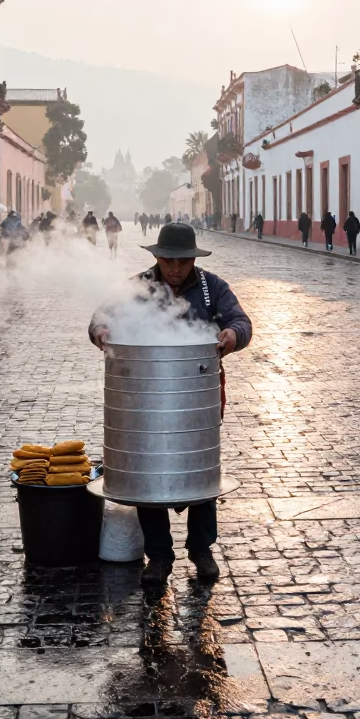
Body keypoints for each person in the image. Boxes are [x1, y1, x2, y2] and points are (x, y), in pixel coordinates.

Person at [89, 222, 252, 589]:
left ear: (193, 259)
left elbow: (241, 321)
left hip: (199, 391)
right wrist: (100, 331)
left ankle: (201, 549)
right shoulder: (138, 286)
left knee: (202, 467)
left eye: (182, 261)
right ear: (156, 257)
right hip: (144, 395)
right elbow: (101, 318)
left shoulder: (213, 288)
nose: (175, 269)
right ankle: (159, 556)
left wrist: (232, 335)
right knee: (148, 473)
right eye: (168, 261)